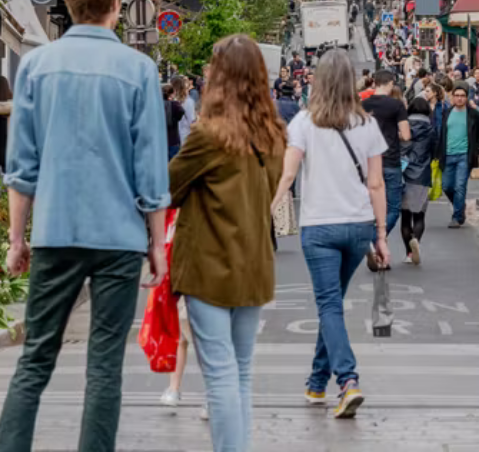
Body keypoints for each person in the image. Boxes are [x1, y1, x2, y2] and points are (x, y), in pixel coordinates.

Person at [0, 0, 170, 452]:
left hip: (57, 229)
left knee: (35, 360)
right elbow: (151, 167)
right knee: (105, 366)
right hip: (118, 237)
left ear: (66, 6)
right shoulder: (138, 70)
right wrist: (157, 243)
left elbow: (22, 166)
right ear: (118, 6)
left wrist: (15, 239)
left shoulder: (36, 66)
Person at [169, 35, 286, 452]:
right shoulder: (275, 134)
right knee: (240, 371)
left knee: (218, 373)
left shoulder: (209, 135)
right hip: (254, 263)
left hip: (209, 264)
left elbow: (168, 187)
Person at [271, 48, 390, 418]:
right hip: (358, 227)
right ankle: (316, 382)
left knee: (328, 305)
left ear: (318, 81)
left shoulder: (304, 123)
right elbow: (376, 184)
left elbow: (288, 175)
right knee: (333, 303)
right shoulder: (367, 124)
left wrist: (268, 208)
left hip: (319, 227)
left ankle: (348, 381)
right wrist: (382, 235)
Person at [361, 70, 410, 243]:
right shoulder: (397, 106)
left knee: (372, 207)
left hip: (368, 162)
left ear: (375, 83)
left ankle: (376, 243)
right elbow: (406, 135)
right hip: (390, 159)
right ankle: (376, 239)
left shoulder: (363, 105)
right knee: (393, 208)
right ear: (390, 83)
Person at [436, 83, 479, 228]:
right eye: (457, 96)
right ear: (452, 97)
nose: (460, 98)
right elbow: (441, 133)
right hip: (448, 154)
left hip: (464, 155)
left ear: (467, 97)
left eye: (463, 96)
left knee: (460, 186)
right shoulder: (447, 113)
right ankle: (460, 205)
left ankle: (457, 216)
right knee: (446, 186)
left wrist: (477, 150)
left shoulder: (473, 114)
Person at [401, 97, 436, 264]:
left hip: (405, 172)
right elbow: (435, 150)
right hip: (422, 174)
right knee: (420, 216)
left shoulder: (404, 126)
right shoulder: (431, 129)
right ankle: (416, 241)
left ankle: (408, 253)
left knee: (405, 217)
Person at [163, 83, 186, 160]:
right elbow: (182, 111)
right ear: (172, 93)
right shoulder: (175, 105)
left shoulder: (157, 104)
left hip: (161, 141)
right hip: (173, 140)